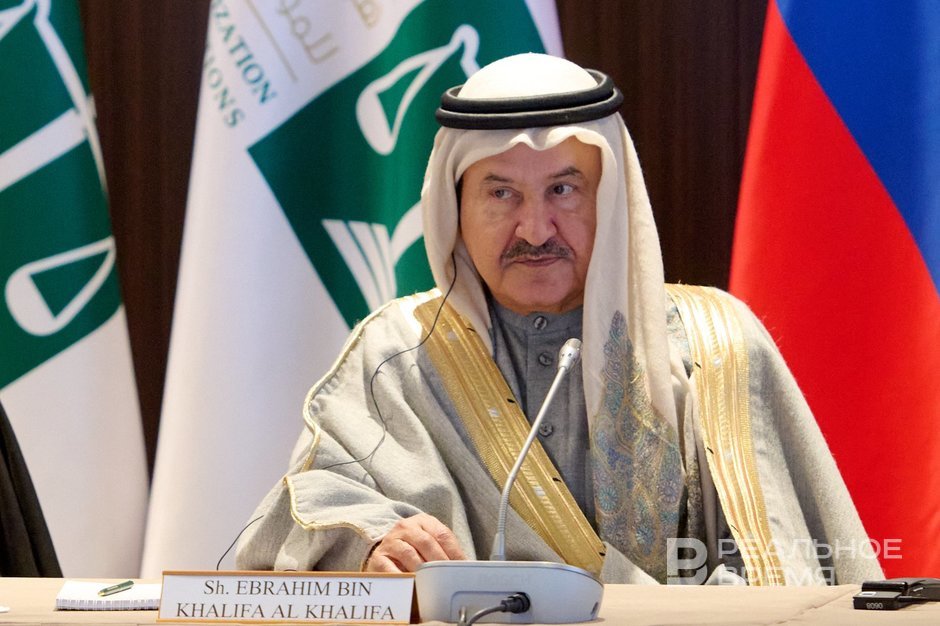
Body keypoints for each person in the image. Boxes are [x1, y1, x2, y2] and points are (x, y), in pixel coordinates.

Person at [236, 53, 883, 585]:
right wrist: (375, 543)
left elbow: (788, 565)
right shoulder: (400, 354)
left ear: (611, 199)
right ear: (454, 209)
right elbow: (303, 511)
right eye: (501, 193)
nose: (535, 229)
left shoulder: (715, 344)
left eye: (563, 190)